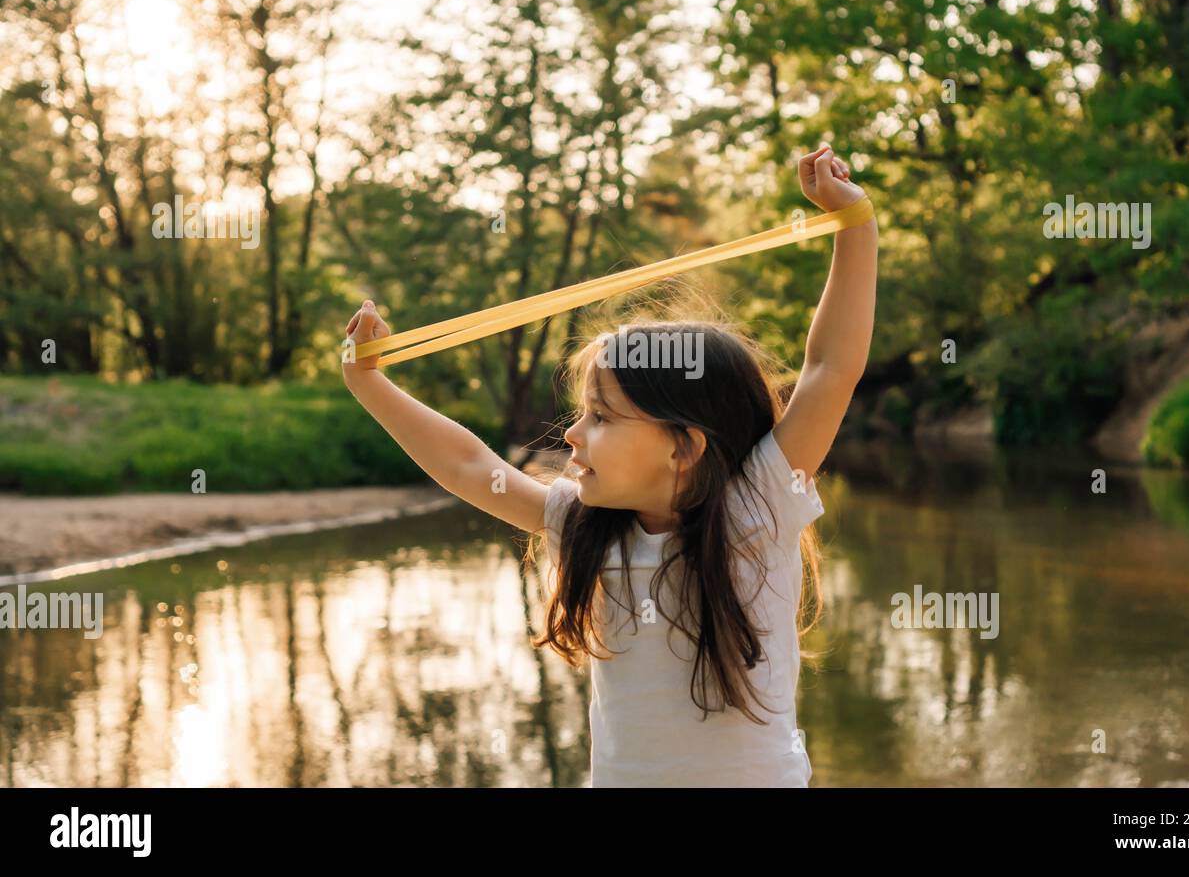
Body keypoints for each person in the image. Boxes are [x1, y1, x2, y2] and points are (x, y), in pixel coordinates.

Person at [342, 144, 878, 786]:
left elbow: (829, 370)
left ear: (684, 446)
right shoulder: (583, 523)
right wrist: (368, 384)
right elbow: (465, 467)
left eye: (600, 417)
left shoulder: (756, 507)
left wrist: (856, 225)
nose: (572, 435)